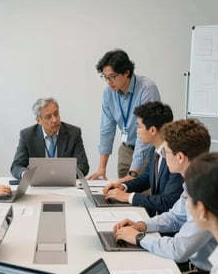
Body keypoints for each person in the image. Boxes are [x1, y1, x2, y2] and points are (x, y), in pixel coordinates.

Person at [114, 119, 217, 274]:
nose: (163, 154)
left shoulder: (206, 193)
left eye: (166, 151)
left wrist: (139, 238)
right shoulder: (194, 181)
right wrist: (141, 225)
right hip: (194, 268)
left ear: (180, 157)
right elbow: (175, 217)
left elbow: (178, 250)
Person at [88, 49, 160, 180]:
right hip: (126, 150)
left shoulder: (147, 89)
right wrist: (102, 167)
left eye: (112, 76)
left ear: (126, 72)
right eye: (105, 77)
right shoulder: (108, 93)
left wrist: (133, 172)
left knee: (143, 197)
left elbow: (146, 131)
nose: (108, 81)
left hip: (148, 151)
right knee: (122, 196)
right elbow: (106, 130)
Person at [103, 101, 183, 216]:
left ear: (152, 130)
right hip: (156, 217)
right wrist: (123, 186)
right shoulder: (154, 150)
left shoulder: (175, 157)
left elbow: (168, 201)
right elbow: (146, 178)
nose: (137, 131)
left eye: (139, 126)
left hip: (169, 225)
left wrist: (129, 197)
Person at [10, 97, 89, 179]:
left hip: (64, 183)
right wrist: (27, 175)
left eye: (56, 114)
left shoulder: (73, 133)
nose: (54, 120)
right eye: (48, 117)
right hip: (38, 184)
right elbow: (16, 166)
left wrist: (64, 175)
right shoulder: (27, 135)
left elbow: (83, 165)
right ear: (38, 121)